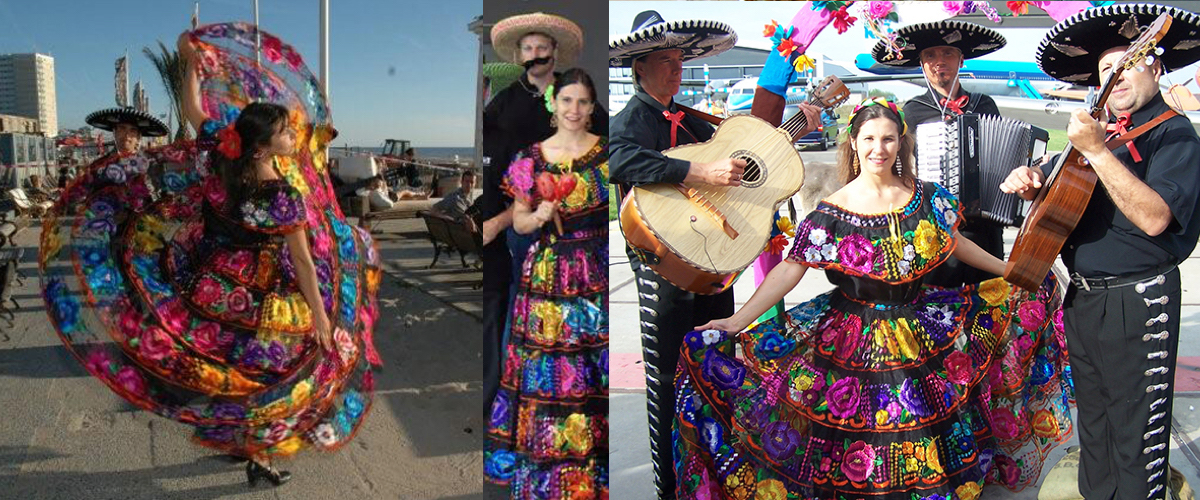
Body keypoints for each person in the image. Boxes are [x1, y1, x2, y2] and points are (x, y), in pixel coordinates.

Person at [674, 96, 1072, 500]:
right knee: (862, 440)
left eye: (888, 139)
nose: (878, 149)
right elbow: (790, 269)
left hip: (919, 331)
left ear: (902, 143)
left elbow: (955, 245)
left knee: (919, 431)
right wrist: (735, 321)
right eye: (869, 139)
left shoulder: (928, 197)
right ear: (853, 141)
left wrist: (1009, 271)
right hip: (853, 340)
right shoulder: (831, 211)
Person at [38, 25, 382, 489]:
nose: (290, 137)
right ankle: (256, 451)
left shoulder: (221, 150)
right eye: (283, 132)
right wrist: (321, 318)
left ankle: (237, 437)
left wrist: (193, 63)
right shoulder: (282, 196)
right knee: (271, 374)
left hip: (209, 282)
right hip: (258, 298)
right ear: (262, 146)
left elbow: (192, 109)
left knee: (228, 368)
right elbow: (301, 263)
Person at [609, 11, 821, 498]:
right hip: (662, 271)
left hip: (712, 264)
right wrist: (695, 171)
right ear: (638, 68)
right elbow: (618, 158)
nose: (674, 67)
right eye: (663, 60)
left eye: (679, 58)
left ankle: (710, 477)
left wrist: (795, 129)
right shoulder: (631, 119)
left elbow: (742, 163)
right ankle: (670, 488)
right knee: (666, 380)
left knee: (715, 365)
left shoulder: (691, 118)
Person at [1002, 5, 1200, 499]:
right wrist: (1030, 183)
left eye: (1128, 64)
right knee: (1092, 425)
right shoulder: (1100, 133)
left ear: (1155, 68)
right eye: (1107, 69)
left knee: (1136, 436)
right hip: (1084, 299)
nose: (1116, 77)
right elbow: (1055, 188)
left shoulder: (1174, 133)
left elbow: (1155, 217)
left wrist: (1095, 151)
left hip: (1139, 300)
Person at [484, 67, 608, 499]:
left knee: (592, 373)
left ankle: (591, 471)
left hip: (596, 274)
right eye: (567, 100)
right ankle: (551, 470)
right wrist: (535, 216)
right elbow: (516, 220)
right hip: (547, 275)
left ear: (592, 108)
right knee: (548, 375)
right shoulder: (528, 157)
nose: (574, 109)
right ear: (553, 104)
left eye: (583, 102)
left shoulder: (608, 156)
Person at [481, 12, 603, 419]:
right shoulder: (504, 104)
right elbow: (495, 168)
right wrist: (503, 218)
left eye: (541, 48)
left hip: (586, 244)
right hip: (527, 228)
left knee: (583, 331)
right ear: (519, 55)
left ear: (554, 52)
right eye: (527, 49)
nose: (535, 55)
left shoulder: (581, 102)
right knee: (530, 319)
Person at [872, 19, 1008, 288]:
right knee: (939, 310)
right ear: (922, 64)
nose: (939, 61)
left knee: (988, 307)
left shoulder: (985, 104)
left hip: (985, 227)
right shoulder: (912, 111)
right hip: (936, 229)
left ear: (961, 59)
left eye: (947, 53)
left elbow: (1002, 154)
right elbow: (900, 169)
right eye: (930, 55)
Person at [84, 106, 169, 156]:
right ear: (115, 132)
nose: (127, 135)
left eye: (133, 130)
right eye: (122, 128)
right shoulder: (99, 167)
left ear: (138, 137)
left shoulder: (150, 165)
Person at [356, 176, 427, 211]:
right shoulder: (373, 190)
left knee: (403, 196)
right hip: (391, 198)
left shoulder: (368, 190)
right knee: (405, 191)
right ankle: (420, 194)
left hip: (389, 196)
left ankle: (421, 196)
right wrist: (384, 187)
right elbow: (384, 194)